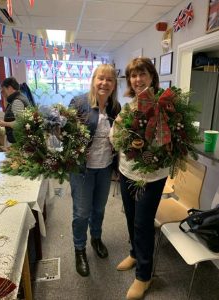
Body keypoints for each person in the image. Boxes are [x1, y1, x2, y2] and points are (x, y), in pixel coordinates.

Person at [110, 57, 168, 300]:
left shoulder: (165, 105)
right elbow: (114, 138)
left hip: (152, 177)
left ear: (152, 76)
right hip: (127, 172)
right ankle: (135, 253)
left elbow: (167, 142)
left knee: (143, 224)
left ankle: (144, 276)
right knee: (132, 217)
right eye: (133, 75)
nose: (138, 79)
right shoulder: (129, 107)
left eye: (142, 73)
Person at [69, 64, 121, 277]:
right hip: (82, 170)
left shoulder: (115, 107)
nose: (104, 83)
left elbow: (119, 138)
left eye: (109, 80)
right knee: (82, 213)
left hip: (105, 168)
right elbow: (65, 133)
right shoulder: (79, 103)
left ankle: (96, 238)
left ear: (114, 84)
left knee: (99, 209)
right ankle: (79, 249)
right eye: (101, 78)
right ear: (93, 79)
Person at [0, 77, 30, 143]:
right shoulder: (20, 97)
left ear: (10, 88)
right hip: (20, 139)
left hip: (19, 141)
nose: (3, 93)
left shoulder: (17, 101)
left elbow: (20, 124)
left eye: (4, 90)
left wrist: (3, 123)